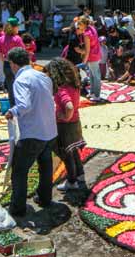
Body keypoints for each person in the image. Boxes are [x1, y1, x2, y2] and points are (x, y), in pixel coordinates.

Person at [4, 47, 57, 217]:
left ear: (13, 64)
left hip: (33, 133)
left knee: (19, 170)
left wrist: (12, 111)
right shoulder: (42, 76)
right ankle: (45, 199)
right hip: (49, 130)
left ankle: (18, 208)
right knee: (45, 166)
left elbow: (24, 105)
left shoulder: (21, 80)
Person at [44, 58, 85, 191]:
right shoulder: (74, 85)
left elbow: (69, 105)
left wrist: (65, 116)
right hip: (75, 122)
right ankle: (80, 176)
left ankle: (72, 181)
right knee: (73, 151)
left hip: (64, 125)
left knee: (66, 154)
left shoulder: (61, 89)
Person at [0, 18, 25, 106]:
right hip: (17, 66)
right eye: (17, 27)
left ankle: (12, 106)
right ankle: (20, 105)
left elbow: (0, 55)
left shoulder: (1, 38)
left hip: (6, 65)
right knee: (20, 87)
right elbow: (23, 53)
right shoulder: (17, 39)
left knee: (10, 87)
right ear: (14, 27)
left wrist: (6, 62)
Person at [77, 16, 102, 102]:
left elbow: (87, 50)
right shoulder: (91, 28)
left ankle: (97, 95)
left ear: (83, 25)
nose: (78, 27)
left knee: (96, 76)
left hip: (93, 56)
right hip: (97, 54)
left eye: (79, 25)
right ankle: (92, 92)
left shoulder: (86, 34)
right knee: (91, 76)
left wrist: (84, 60)